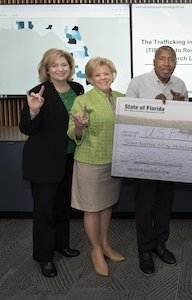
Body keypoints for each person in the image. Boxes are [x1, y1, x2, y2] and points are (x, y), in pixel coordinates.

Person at [19, 48, 83, 277]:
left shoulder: (78, 89)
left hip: (69, 157)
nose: (60, 69)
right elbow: (27, 128)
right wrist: (33, 112)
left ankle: (61, 244)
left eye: (64, 64)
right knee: (45, 211)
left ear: (70, 67)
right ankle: (44, 257)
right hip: (43, 161)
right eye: (54, 65)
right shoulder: (39, 92)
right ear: (46, 69)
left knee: (63, 206)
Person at [125, 45, 188, 276]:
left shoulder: (180, 84)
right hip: (143, 156)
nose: (166, 63)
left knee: (164, 204)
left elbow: (184, 123)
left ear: (175, 63)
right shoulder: (138, 83)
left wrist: (181, 108)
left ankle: (159, 244)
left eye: (171, 59)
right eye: (162, 58)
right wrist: (152, 107)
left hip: (168, 156)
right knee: (144, 206)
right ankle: (144, 250)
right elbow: (127, 118)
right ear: (154, 61)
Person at [67, 57, 125, 277]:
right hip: (90, 162)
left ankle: (105, 244)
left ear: (112, 75)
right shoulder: (83, 100)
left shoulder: (121, 98)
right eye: (97, 74)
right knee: (91, 209)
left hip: (113, 162)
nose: (103, 77)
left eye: (106, 73)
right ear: (90, 78)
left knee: (107, 205)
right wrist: (80, 127)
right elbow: (73, 133)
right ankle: (96, 251)